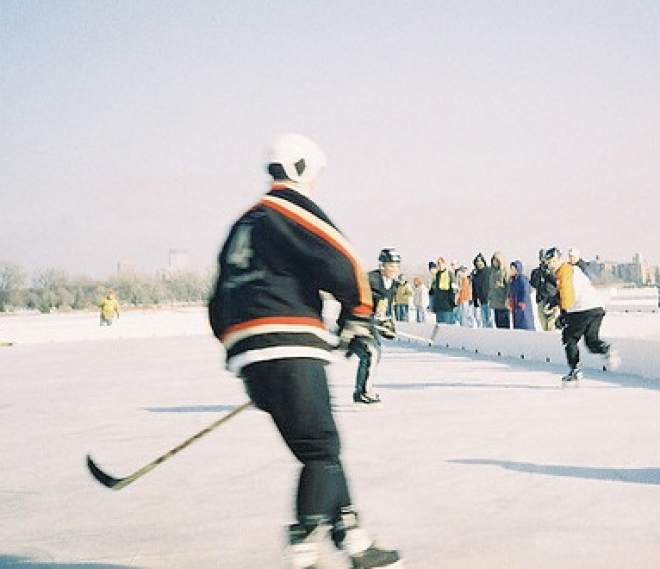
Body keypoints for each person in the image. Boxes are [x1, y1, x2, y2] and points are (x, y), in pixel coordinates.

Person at [208, 133, 401, 568]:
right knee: (320, 450)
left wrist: (242, 358)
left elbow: (217, 300)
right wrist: (358, 313)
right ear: (301, 169)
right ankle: (304, 547)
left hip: (250, 350)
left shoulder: (243, 224)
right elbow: (342, 258)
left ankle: (352, 538)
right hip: (287, 341)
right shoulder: (287, 208)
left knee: (319, 450)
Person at [543, 247, 619, 385]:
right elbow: (571, 291)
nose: (549, 265)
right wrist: (556, 301)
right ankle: (606, 349)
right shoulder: (573, 270)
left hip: (582, 309)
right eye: (547, 262)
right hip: (596, 308)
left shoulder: (564, 272)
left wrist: (563, 314)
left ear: (558, 259)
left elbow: (567, 295)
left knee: (569, 338)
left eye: (551, 261)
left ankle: (575, 370)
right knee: (591, 341)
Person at [346, 248, 400, 405]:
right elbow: (353, 300)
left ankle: (362, 391)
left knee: (373, 353)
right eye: (390, 265)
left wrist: (387, 326)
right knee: (371, 353)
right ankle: (363, 392)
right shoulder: (370, 280)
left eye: (396, 266)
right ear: (382, 265)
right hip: (355, 324)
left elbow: (383, 311)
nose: (393, 269)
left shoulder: (393, 285)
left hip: (368, 326)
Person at [530, 249, 560, 331]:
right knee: (544, 325)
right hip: (541, 300)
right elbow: (533, 284)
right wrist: (540, 273)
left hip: (552, 300)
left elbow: (557, 282)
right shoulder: (536, 271)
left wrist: (548, 274)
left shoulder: (554, 270)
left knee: (551, 325)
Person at [429, 257, 457, 343]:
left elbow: (454, 288)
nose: (439, 266)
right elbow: (434, 289)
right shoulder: (437, 275)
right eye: (438, 264)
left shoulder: (449, 274)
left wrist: (452, 302)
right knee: (439, 324)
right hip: (439, 304)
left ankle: (451, 341)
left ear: (444, 264)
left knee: (448, 324)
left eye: (441, 264)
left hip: (447, 304)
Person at [509, 260, 535, 330]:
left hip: (523, 305)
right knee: (517, 324)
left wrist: (522, 301)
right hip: (516, 305)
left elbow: (525, 291)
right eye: (511, 269)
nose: (511, 270)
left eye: (513, 269)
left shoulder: (522, 279)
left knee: (525, 322)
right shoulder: (513, 280)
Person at [488, 252, 511, 329]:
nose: (495, 263)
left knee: (504, 324)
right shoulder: (492, 272)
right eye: (493, 261)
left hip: (503, 303)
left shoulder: (505, 271)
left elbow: (508, 286)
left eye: (497, 261)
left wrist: (507, 298)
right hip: (495, 302)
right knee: (497, 324)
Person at [470, 253, 492, 327]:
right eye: (477, 261)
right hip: (482, 301)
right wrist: (475, 300)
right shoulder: (475, 274)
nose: (479, 263)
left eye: (480, 261)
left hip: (490, 300)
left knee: (490, 319)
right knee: (484, 320)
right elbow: (474, 288)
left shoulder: (489, 271)